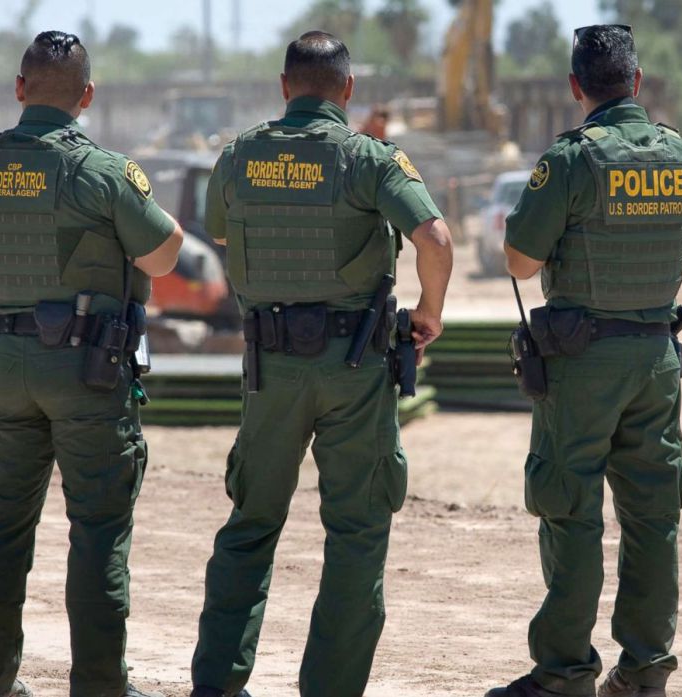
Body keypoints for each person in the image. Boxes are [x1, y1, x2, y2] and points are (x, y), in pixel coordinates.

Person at [188, 31, 453, 697]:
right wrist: (429, 313)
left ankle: (217, 684)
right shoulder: (369, 158)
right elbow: (435, 238)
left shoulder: (238, 155)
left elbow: (217, 228)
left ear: (284, 87)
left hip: (270, 366)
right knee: (357, 533)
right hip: (354, 367)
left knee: (251, 524)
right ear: (349, 90)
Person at [0, 31, 184, 697]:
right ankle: (101, 686)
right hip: (86, 369)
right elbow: (165, 252)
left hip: (3, 364)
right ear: (87, 97)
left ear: (19, 89)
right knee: (99, 530)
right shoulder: (102, 173)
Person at [487, 24, 682, 697]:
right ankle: (645, 670)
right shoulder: (681, 156)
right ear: (636, 82)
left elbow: (520, 261)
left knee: (570, 509)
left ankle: (564, 673)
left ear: (575, 87)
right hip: (657, 356)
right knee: (653, 516)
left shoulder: (571, 160)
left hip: (582, 362)